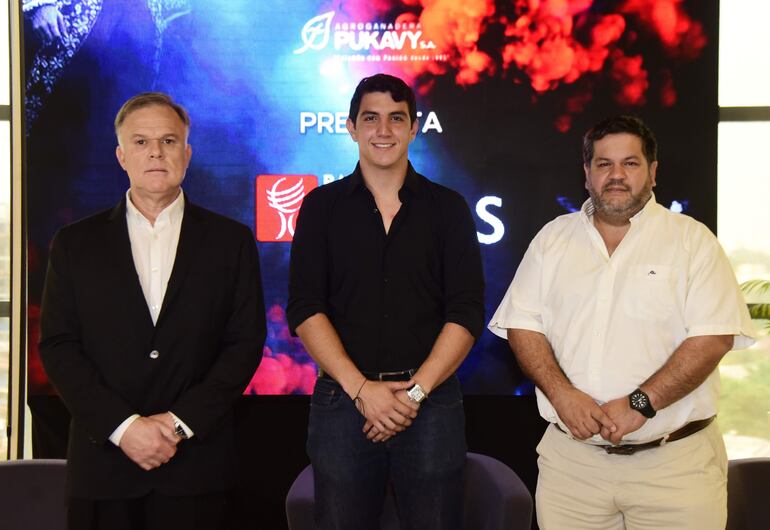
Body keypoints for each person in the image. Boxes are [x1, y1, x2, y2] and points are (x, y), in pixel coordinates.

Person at [489, 115, 755, 529]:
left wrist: (641, 403)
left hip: (674, 470)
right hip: (572, 470)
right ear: (587, 174)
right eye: (603, 164)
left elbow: (713, 337)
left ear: (652, 172)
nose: (616, 175)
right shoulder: (552, 239)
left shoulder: (692, 241)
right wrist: (562, 395)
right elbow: (523, 325)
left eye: (630, 163)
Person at [39, 92, 266, 530]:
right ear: (121, 156)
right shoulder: (74, 244)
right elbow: (60, 346)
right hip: (103, 469)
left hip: (197, 470)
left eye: (168, 140)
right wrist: (125, 428)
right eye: (141, 142)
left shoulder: (230, 241)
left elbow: (243, 345)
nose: (156, 152)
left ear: (187, 152)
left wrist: (178, 425)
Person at [288, 73, 485, 530]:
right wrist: (362, 391)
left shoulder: (448, 208)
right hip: (343, 404)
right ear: (352, 127)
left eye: (396, 118)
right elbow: (304, 307)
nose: (384, 130)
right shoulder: (321, 207)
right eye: (371, 118)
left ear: (415, 128)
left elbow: (466, 311)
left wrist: (412, 396)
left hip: (431, 404)